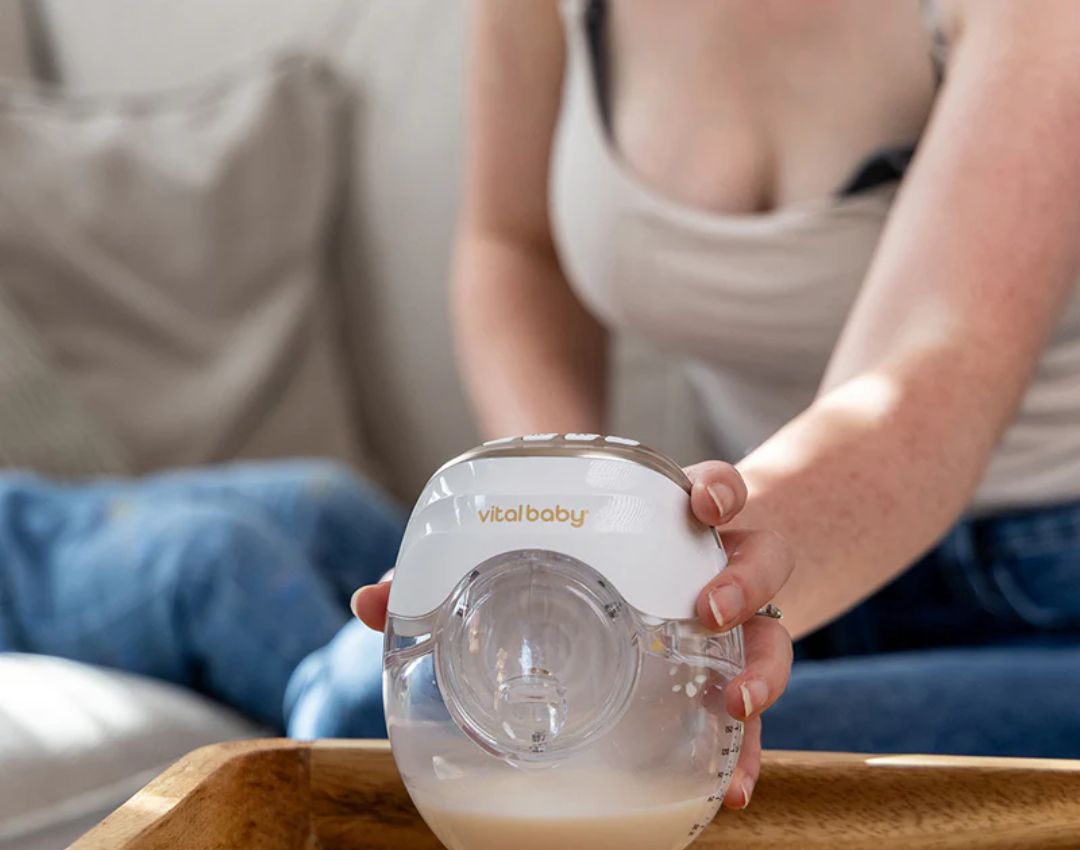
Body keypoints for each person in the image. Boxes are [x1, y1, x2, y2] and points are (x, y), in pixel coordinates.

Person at [354, 0, 1080, 808]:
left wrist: (658, 585)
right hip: (744, 569)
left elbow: (930, 377)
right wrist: (549, 538)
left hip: (1037, 596)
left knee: (371, 717)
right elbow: (516, 244)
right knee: (288, 566)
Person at [0, 460, 403, 738]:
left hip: (27, 505)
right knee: (217, 559)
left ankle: (428, 633)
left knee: (325, 501)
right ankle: (375, 716)